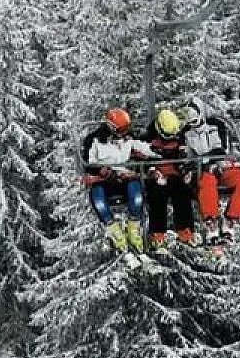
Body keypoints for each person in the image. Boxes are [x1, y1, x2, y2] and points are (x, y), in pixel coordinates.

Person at [82, 107, 156, 254]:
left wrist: (161, 152)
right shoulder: (95, 140)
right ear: (111, 127)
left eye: (126, 128)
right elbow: (88, 162)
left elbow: (147, 149)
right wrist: (100, 170)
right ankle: (113, 228)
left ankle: (134, 227)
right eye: (121, 129)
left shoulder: (128, 138)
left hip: (124, 176)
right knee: (99, 200)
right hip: (103, 179)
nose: (124, 132)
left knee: (137, 197)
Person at [179, 97, 240, 240]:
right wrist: (192, 167)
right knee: (206, 181)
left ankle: (230, 219)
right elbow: (186, 158)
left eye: (195, 121)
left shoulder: (216, 126)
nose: (193, 125)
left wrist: (212, 159)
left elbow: (222, 150)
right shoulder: (186, 134)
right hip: (202, 170)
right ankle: (210, 222)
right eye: (190, 122)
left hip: (221, 166)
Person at [140, 108, 195, 253]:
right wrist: (153, 171)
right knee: (156, 195)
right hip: (156, 175)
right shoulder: (148, 140)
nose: (170, 140)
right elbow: (142, 158)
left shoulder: (178, 138)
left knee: (183, 192)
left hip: (174, 174)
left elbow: (183, 156)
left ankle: (185, 230)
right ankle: (158, 233)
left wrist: (183, 167)